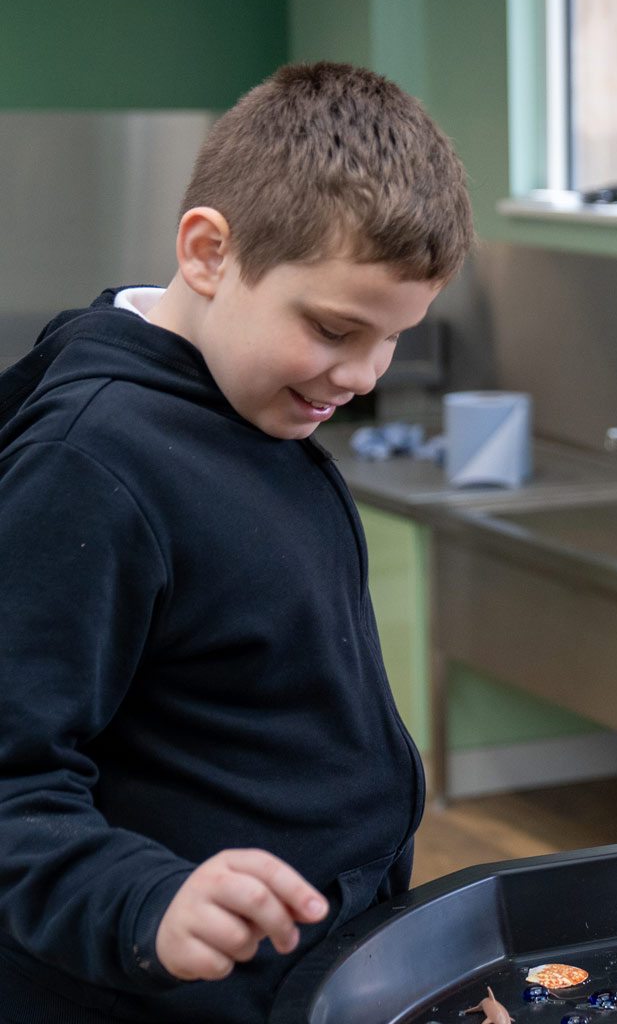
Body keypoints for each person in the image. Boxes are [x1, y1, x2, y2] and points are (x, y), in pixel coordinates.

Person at [0, 62, 473, 1023]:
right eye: (335, 329)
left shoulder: (250, 406)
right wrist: (145, 903)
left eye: (393, 338)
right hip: (158, 992)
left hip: (299, 974)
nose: (364, 375)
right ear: (210, 253)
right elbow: (14, 777)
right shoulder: (88, 465)